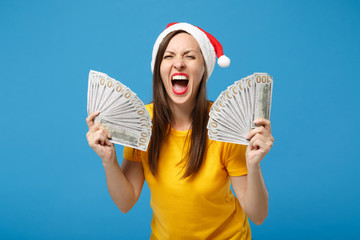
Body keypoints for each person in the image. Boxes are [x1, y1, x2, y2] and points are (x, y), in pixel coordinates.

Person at [86, 22, 274, 239]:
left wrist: (253, 164)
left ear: (204, 69)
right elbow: (125, 202)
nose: (178, 64)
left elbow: (258, 215)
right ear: (158, 69)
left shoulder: (223, 125)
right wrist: (108, 160)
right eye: (168, 56)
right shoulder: (142, 122)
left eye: (190, 56)